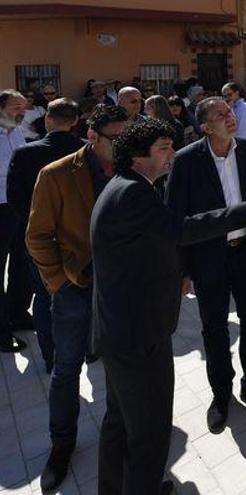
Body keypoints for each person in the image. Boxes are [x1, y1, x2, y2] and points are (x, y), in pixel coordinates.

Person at [92, 119, 246, 495]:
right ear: (137, 156)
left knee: (119, 423)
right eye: (163, 148)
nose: (170, 155)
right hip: (139, 335)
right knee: (148, 432)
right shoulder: (133, 194)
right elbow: (182, 228)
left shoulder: (128, 187)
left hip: (121, 330)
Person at [165, 97, 246, 434]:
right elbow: (177, 220)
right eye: (220, 114)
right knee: (214, 327)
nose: (229, 117)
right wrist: (184, 269)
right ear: (204, 126)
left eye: (230, 111)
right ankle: (222, 395)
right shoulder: (187, 161)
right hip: (208, 258)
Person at [26, 104, 130, 491]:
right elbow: (37, 237)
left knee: (122, 364)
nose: (123, 146)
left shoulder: (129, 170)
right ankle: (62, 445)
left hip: (120, 290)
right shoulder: (55, 175)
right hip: (75, 289)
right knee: (66, 369)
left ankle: (122, 438)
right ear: (91, 135)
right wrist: (59, 280)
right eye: (115, 139)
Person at [7, 98, 84, 372]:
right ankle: (85, 348)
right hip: (79, 239)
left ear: (48, 119)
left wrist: (35, 225)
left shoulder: (26, 153)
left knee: (43, 295)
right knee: (82, 293)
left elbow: (15, 199)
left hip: (40, 238)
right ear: (75, 122)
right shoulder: (86, 151)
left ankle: (51, 356)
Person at [0, 90, 30, 353]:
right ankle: (1, 333)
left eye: (23, 107)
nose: (21, 111)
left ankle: (18, 314)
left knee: (22, 263)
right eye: (14, 107)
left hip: (17, 206)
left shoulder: (17, 131)